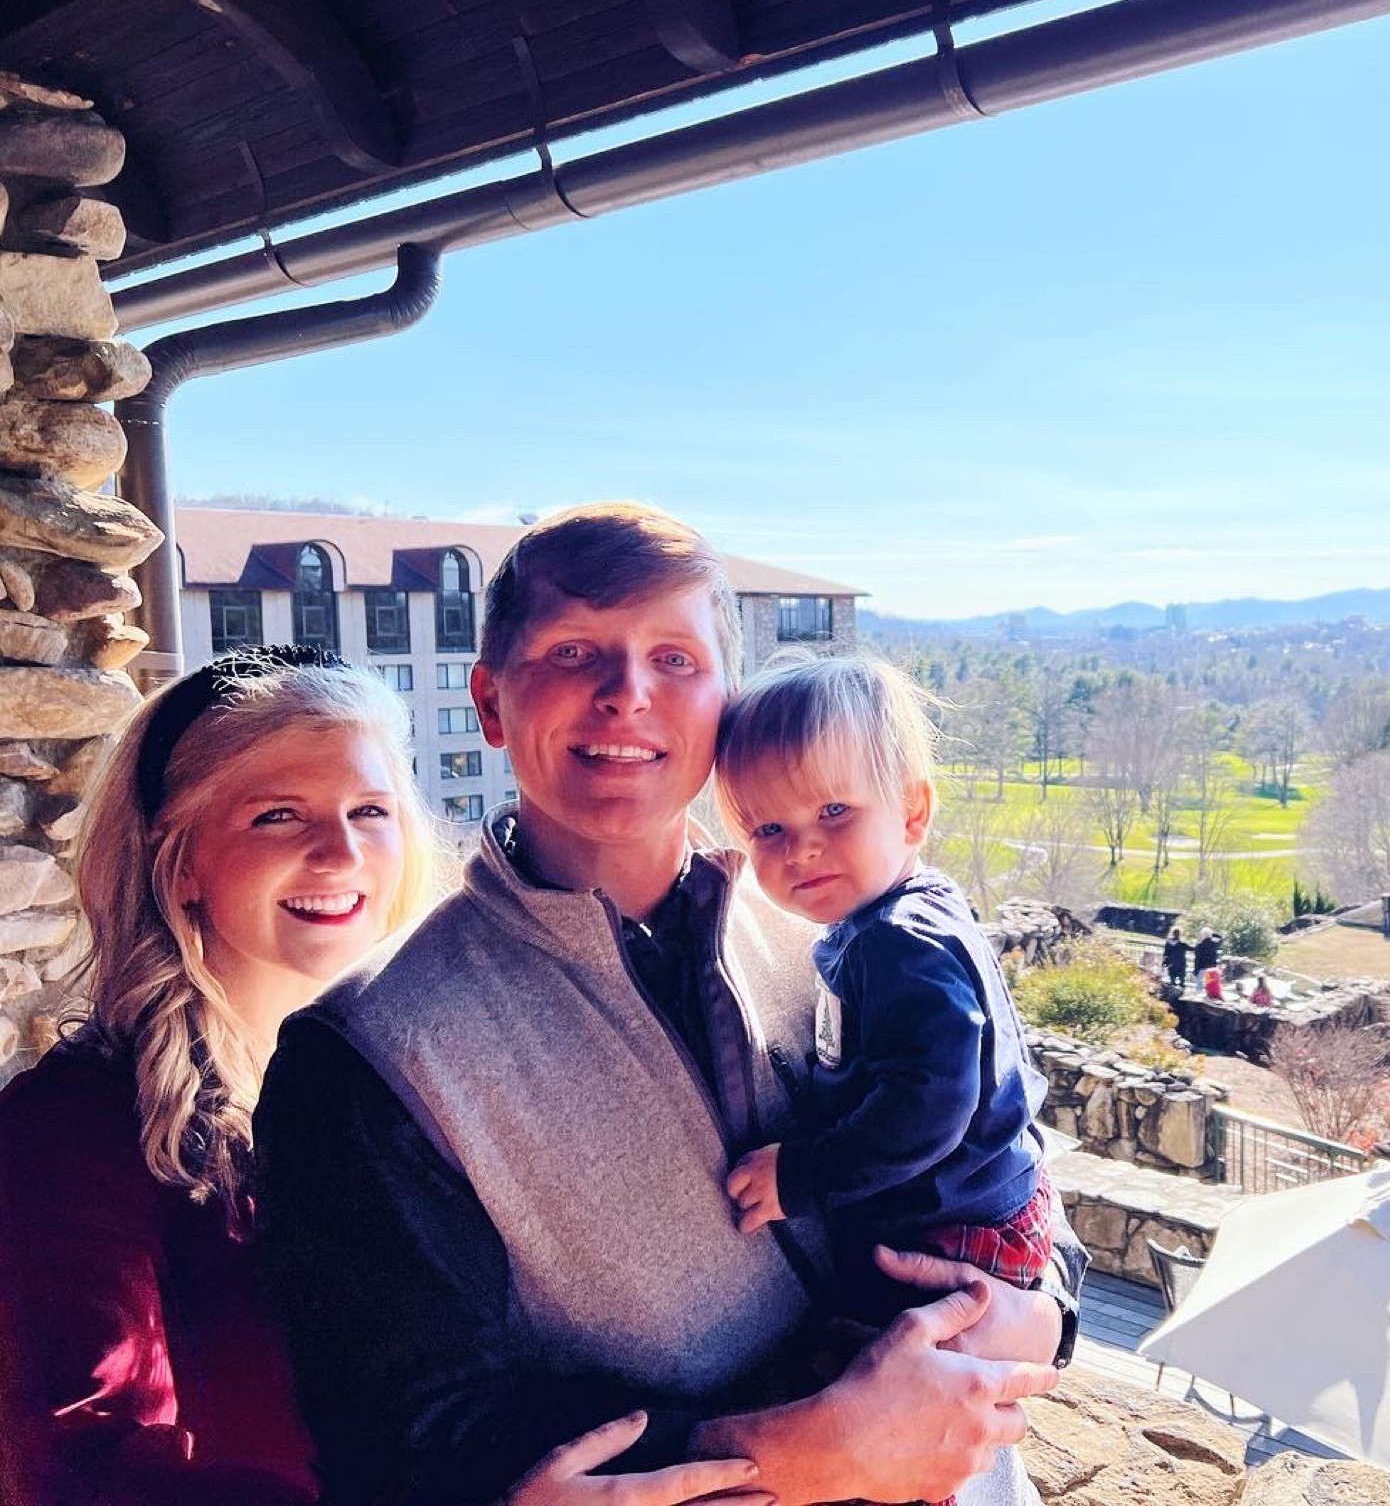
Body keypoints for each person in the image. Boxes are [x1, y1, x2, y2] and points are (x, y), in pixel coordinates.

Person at [255, 503, 1080, 1506]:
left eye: (675, 659)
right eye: (573, 652)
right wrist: (784, 1449)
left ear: (723, 702)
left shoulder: (838, 925)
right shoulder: (371, 1052)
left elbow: (1007, 1151)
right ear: (490, 701)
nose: (626, 694)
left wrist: (1045, 1314)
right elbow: (409, 1439)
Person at [0, 649, 439, 1504]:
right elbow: (84, 1466)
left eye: (370, 810)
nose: (339, 851)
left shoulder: (431, 1090)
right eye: (278, 815)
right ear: (181, 861)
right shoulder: (71, 1131)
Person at [717, 656, 1053, 1333]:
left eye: (834, 811)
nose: (801, 849)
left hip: (951, 1228)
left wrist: (803, 1177)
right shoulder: (894, 914)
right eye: (769, 830)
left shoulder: (899, 942)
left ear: (912, 812)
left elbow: (930, 1102)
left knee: (868, 1357)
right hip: (975, 1203)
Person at [1162, 926, 1189, 990]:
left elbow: (1166, 953)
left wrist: (1164, 962)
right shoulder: (1182, 943)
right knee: (1181, 980)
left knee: (1173, 980)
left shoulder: (1169, 943)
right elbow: (1191, 948)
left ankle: (1173, 991)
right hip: (1180, 964)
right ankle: (1180, 990)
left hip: (1172, 963)